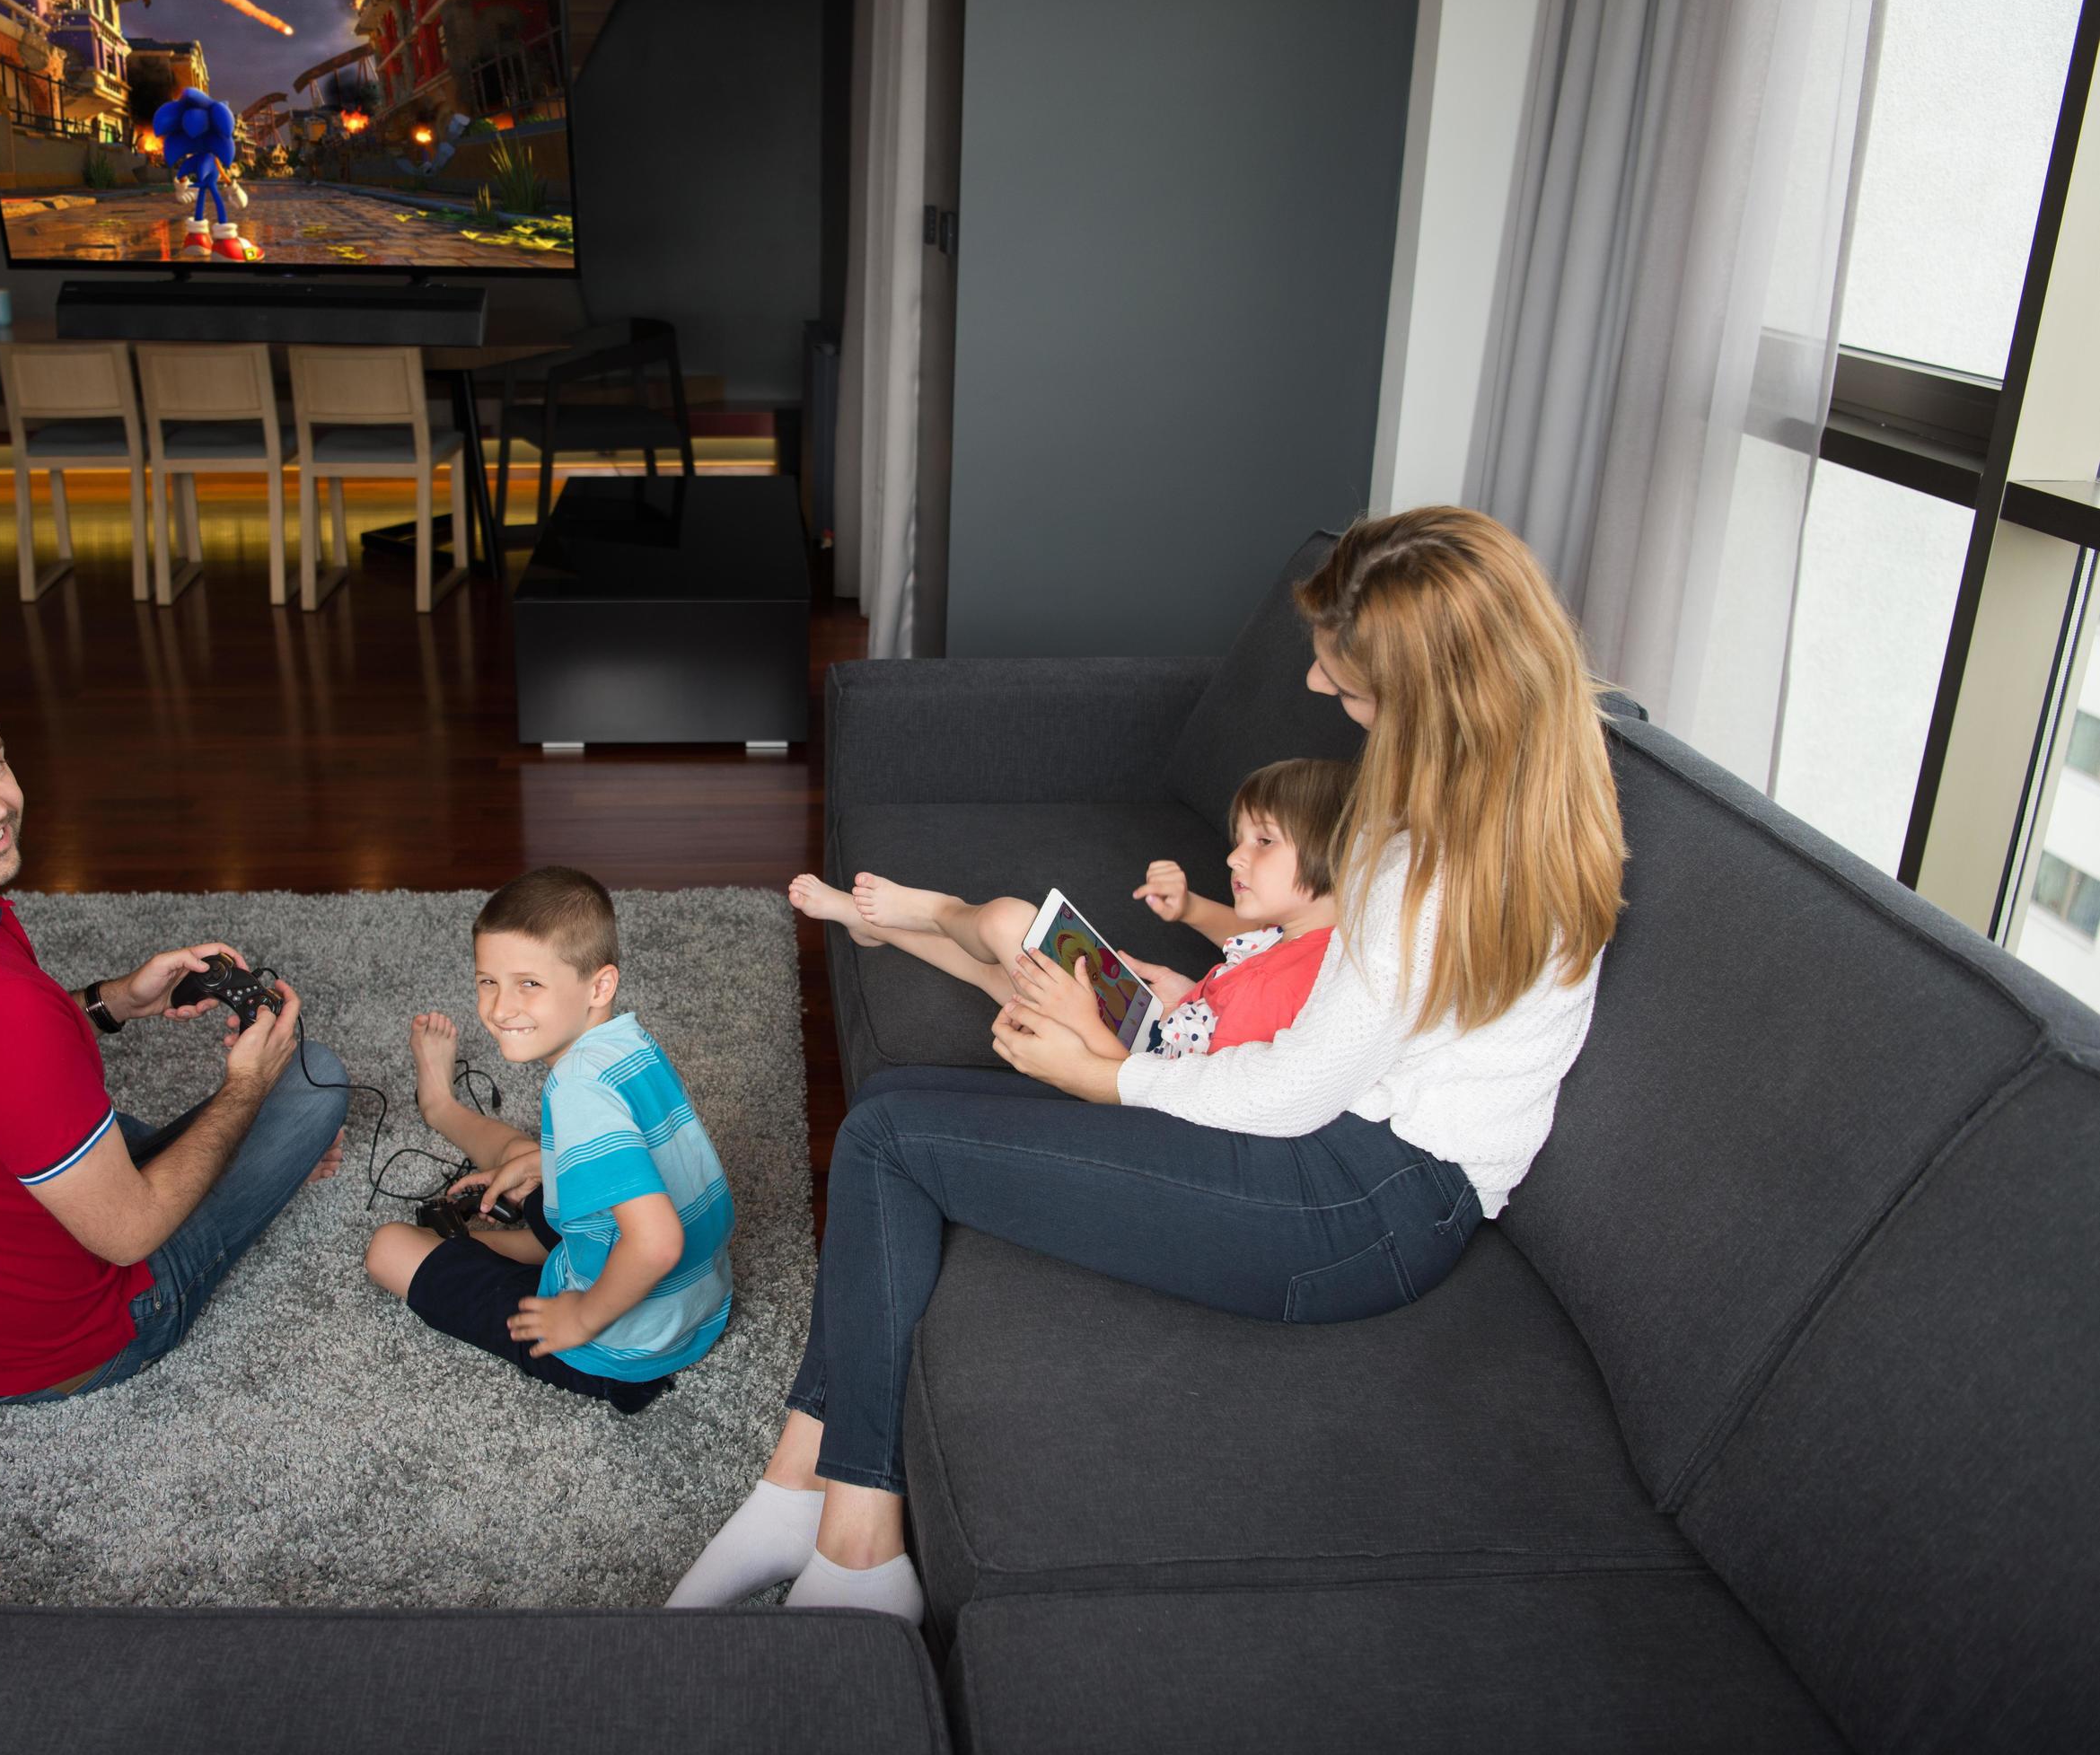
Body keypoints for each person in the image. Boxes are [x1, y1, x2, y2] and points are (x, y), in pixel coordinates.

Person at [668, 505, 1628, 1622]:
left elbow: (1289, 1091)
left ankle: (856, 1536)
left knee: (889, 1139)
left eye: (1348, 683)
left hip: (1353, 1205)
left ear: (1432, 692)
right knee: (886, 1112)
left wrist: (1103, 1073)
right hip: (1364, 1170)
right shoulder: (1542, 789)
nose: (1320, 694)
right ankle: (803, 1490)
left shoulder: (1428, 863)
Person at [0, 661, 350, 1404]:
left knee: (94, 1121)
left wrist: (116, 1000)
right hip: (51, 1348)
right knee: (312, 1078)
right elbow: (128, 1234)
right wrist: (248, 1088)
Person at [364, 866, 736, 1415]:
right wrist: (547, 1160)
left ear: (599, 985)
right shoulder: (628, 1044)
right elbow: (652, 1153)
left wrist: (579, 1318)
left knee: (387, 1248)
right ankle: (443, 1111)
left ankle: (444, 1122)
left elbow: (656, 1244)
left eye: (528, 984)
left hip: (618, 1346)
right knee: (524, 1162)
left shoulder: (577, 1089)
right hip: (697, 1309)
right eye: (487, 981)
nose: (499, 1008)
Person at [786, 757, 1355, 1063]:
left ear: (1334, 856)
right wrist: (1187, 979)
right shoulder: (1308, 937)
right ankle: (869, 924)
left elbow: (1184, 1088)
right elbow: (1239, 963)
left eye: (1263, 841)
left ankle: (939, 909)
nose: (1234, 854)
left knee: (1009, 920)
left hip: (1120, 1053)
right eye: (1241, 837)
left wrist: (1085, 1022)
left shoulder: (1289, 987)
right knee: (998, 970)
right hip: (1151, 1018)